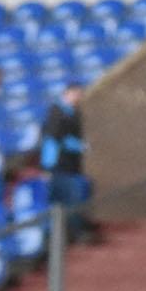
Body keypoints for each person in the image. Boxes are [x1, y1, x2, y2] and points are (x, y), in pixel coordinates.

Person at [41, 82, 89, 237]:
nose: (78, 98)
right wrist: (76, 145)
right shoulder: (56, 112)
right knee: (67, 199)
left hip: (71, 165)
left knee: (71, 198)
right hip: (59, 165)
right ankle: (70, 233)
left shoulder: (74, 112)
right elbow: (54, 138)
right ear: (68, 93)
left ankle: (69, 233)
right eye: (76, 94)